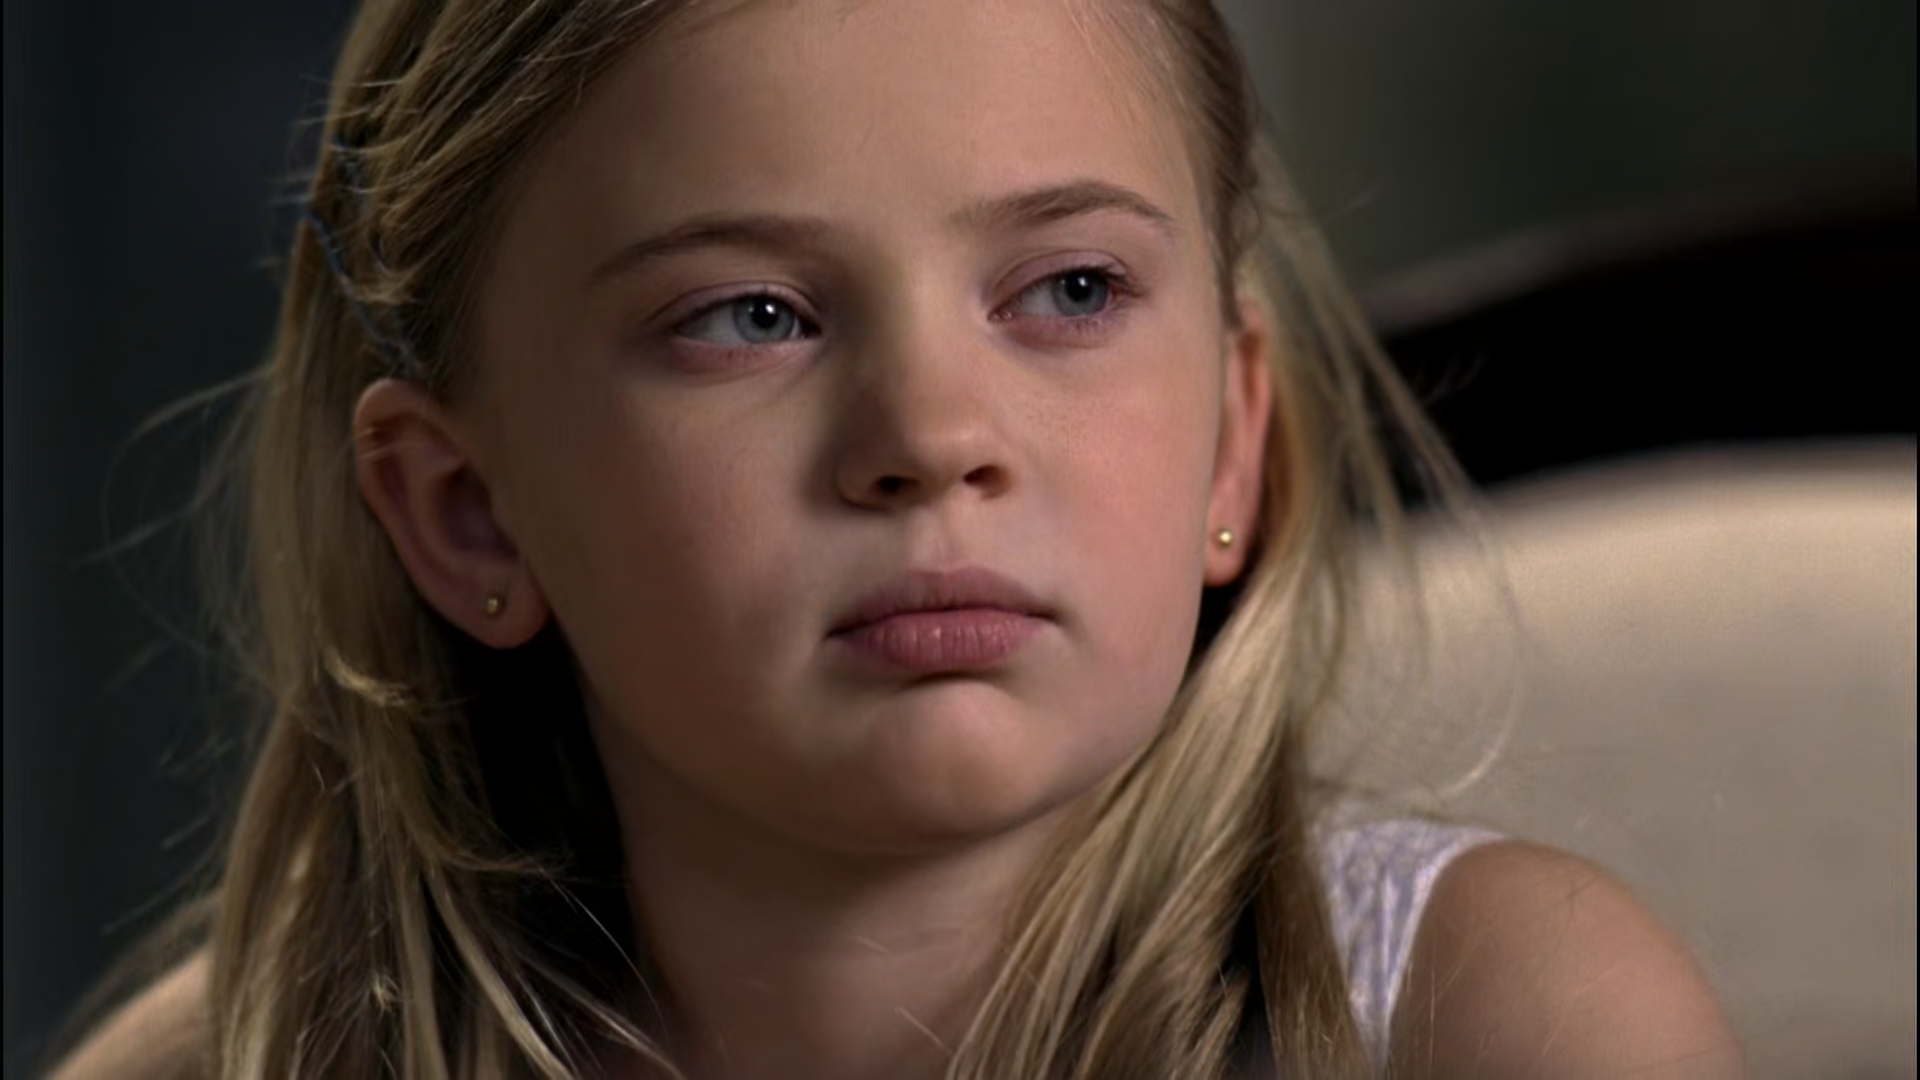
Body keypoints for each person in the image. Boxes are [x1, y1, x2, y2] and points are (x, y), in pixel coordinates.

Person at [47, 0, 1742, 1077]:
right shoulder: (231, 1061)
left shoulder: (1491, 1021)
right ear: (466, 511)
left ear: (1235, 438)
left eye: (1070, 290)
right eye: (752, 316)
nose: (932, 438)